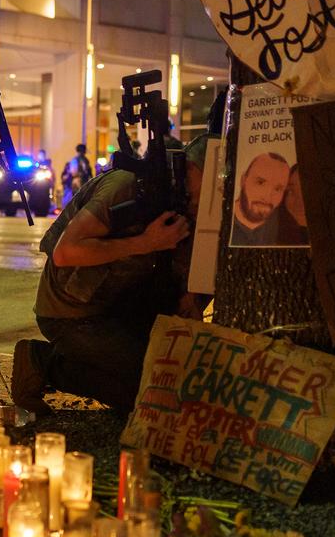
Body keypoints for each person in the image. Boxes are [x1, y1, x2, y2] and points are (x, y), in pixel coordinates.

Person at [12, 151, 203, 413]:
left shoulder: (187, 200)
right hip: (71, 313)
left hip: (116, 309)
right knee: (147, 392)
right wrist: (146, 243)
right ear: (190, 166)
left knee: (170, 384)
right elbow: (65, 252)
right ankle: (41, 363)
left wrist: (189, 295)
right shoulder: (126, 185)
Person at [230, 152, 306, 246]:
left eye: (277, 189)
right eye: (260, 182)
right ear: (243, 180)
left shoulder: (288, 227)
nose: (267, 196)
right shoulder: (223, 219)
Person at [62, 143, 92, 208]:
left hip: (79, 180)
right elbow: (77, 172)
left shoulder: (79, 160)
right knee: (79, 198)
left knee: (78, 198)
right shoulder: (80, 160)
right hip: (79, 180)